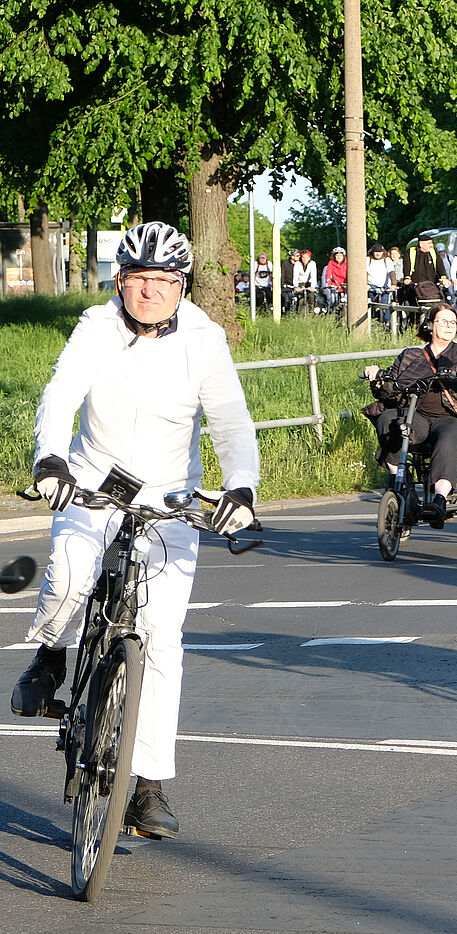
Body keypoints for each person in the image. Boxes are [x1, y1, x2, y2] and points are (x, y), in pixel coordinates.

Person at [12, 221, 259, 838]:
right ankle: (48, 657)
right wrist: (50, 459)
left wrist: (241, 488)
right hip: (92, 480)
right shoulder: (97, 327)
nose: (150, 291)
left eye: (164, 281)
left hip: (171, 496)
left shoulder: (204, 338)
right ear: (119, 280)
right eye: (138, 279)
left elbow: (231, 419)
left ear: (182, 285)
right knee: (69, 575)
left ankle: (145, 785)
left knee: (161, 636)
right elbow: (61, 392)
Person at [362, 303, 457, 528]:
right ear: (430, 326)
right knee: (387, 419)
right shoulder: (411, 355)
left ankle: (439, 499)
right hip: (417, 414)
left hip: (450, 417)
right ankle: (401, 481)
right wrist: (377, 378)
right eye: (443, 321)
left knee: (447, 442)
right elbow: (390, 389)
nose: (449, 326)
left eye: (453, 322)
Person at [367, 243, 396, 317]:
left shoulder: (387, 260)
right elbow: (364, 272)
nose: (378, 254)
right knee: (371, 306)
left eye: (379, 252)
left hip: (384, 287)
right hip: (371, 286)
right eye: (376, 252)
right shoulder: (368, 260)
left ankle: (387, 323)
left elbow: (391, 272)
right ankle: (372, 321)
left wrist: (393, 284)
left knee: (385, 306)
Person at [321, 246, 349, 311]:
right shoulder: (331, 263)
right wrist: (328, 282)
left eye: (340, 255)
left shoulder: (347, 263)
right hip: (335, 285)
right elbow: (328, 274)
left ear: (343, 256)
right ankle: (330, 312)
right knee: (333, 300)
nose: (338, 257)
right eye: (337, 255)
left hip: (345, 285)